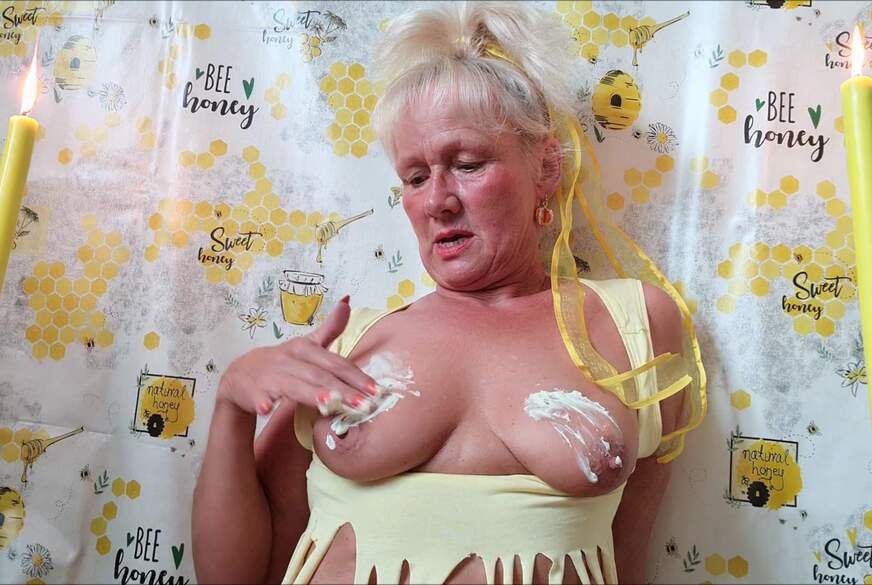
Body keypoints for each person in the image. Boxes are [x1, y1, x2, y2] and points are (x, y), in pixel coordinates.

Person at [192, 2, 706, 584]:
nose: (437, 200)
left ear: (546, 167)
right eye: (415, 178)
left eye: (467, 164)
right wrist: (231, 404)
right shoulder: (349, 343)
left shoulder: (636, 325)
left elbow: (627, 553)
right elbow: (232, 575)